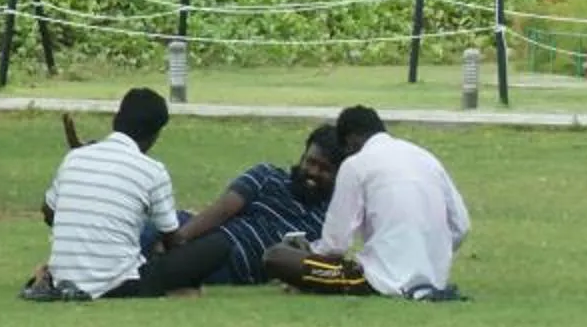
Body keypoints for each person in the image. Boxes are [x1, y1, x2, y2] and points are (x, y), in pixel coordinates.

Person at [263, 105, 471, 299]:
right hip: (434, 280)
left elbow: (335, 246)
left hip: (379, 281)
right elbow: (461, 226)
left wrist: (308, 252)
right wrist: (427, 255)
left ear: (350, 141)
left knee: (276, 256)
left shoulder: (355, 165)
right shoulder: (427, 158)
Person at [134, 125, 340, 292]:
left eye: (324, 169)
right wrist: (176, 240)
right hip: (197, 231)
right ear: (302, 157)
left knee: (157, 270)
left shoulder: (328, 221)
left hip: (229, 263)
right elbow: (223, 209)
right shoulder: (268, 175)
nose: (313, 172)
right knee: (148, 230)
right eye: (310, 162)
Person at [32, 88, 178, 299]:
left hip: (62, 277)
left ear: (115, 120)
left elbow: (48, 213)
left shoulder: (74, 158)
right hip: (119, 283)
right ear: (155, 134)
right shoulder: (152, 170)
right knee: (207, 246)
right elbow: (171, 239)